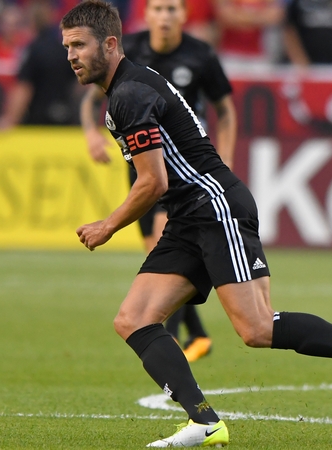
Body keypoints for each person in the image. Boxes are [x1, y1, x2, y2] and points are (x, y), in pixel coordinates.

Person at [61, 1, 332, 446]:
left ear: (109, 43)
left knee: (256, 329)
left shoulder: (130, 94)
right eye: (67, 46)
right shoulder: (127, 88)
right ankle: (203, 420)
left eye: (79, 45)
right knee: (133, 319)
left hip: (215, 208)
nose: (71, 55)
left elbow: (152, 182)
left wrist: (108, 225)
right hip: (189, 215)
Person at [79, 0, 236, 363]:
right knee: (157, 253)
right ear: (146, 15)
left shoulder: (201, 56)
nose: (165, 16)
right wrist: (91, 134)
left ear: (184, 15)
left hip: (184, 169)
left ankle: (177, 339)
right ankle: (194, 333)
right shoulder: (125, 50)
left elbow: (225, 109)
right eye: (158, 8)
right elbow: (90, 99)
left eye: (172, 9)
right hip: (142, 163)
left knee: (164, 252)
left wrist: (224, 156)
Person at [0, 0, 80, 129]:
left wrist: (10, 120)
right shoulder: (65, 49)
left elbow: (24, 88)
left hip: (37, 125)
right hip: (64, 122)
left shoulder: (34, 50)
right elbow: (80, 86)